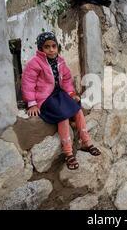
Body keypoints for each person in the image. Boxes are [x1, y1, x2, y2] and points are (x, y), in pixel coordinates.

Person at [21, 32, 101, 170]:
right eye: (47, 47)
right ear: (41, 49)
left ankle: (86, 142)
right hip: (45, 98)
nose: (51, 49)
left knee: (77, 109)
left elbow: (66, 79)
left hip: (59, 94)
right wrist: (32, 103)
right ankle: (68, 152)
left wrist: (71, 93)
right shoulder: (34, 63)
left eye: (54, 46)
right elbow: (28, 83)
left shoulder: (60, 61)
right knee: (62, 116)